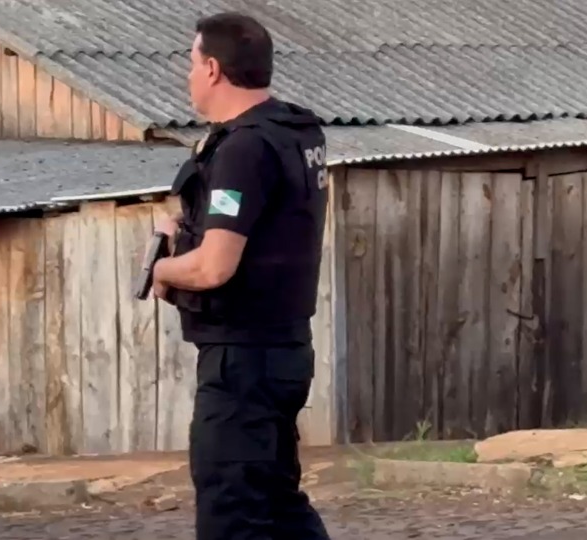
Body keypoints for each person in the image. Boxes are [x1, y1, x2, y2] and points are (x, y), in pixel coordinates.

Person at [148, 11, 332, 540]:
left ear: (211, 69)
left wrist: (162, 267)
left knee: (232, 512)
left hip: (242, 362)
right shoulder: (296, 132)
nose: (188, 76)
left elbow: (214, 267)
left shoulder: (244, 148)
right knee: (277, 506)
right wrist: (184, 229)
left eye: (191, 64)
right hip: (284, 350)